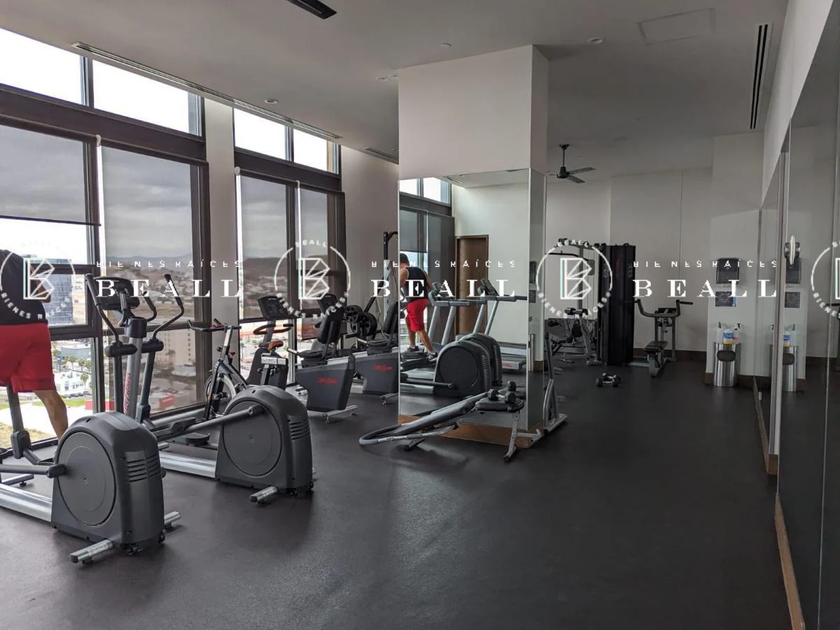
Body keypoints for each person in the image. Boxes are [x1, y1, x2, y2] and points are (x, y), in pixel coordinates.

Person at [0, 250, 68, 439]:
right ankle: (67, 447)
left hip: (4, 329)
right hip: (36, 329)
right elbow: (44, 296)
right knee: (49, 394)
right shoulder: (17, 259)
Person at [399, 253, 435, 356]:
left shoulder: (403, 271)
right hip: (423, 300)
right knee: (409, 320)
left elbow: (398, 286)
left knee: (419, 328)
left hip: (414, 302)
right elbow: (430, 285)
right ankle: (413, 346)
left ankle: (432, 353)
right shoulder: (421, 270)